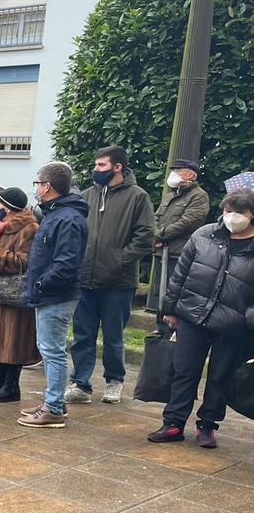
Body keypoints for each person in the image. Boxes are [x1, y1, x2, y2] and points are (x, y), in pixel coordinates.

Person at [148, 189, 254, 448]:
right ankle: (173, 422)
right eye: (228, 211)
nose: (232, 217)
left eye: (239, 212)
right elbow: (180, 274)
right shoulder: (204, 235)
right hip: (193, 315)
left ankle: (208, 425)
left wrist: (248, 318)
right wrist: (169, 309)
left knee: (220, 375)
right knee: (184, 371)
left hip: (233, 324)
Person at [66, 146, 154, 405]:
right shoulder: (86, 196)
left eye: (102, 165)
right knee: (83, 335)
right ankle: (80, 384)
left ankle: (114, 381)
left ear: (118, 167)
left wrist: (119, 260)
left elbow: (145, 236)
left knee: (114, 335)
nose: (96, 169)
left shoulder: (138, 197)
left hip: (119, 282)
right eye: (95, 165)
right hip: (85, 279)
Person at [19, 162, 89, 428]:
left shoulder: (68, 217)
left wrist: (41, 285)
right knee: (48, 349)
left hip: (55, 295)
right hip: (48, 294)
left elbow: (66, 263)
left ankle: (55, 409)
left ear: (47, 186)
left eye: (37, 183)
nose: (35, 188)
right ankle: (52, 402)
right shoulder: (55, 214)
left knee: (53, 351)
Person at [0, 187, 41, 402]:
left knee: (13, 339)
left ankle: (12, 386)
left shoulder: (28, 228)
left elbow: (25, 262)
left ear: (9, 208)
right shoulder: (3, 226)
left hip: (13, 293)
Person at [147, 158, 210, 309]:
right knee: (160, 290)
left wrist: (160, 235)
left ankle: (172, 329)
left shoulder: (199, 196)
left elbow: (187, 222)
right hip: (161, 251)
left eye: (177, 171)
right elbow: (155, 217)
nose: (173, 174)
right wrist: (155, 235)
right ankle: (160, 327)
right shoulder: (170, 196)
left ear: (189, 174)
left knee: (175, 290)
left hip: (179, 252)